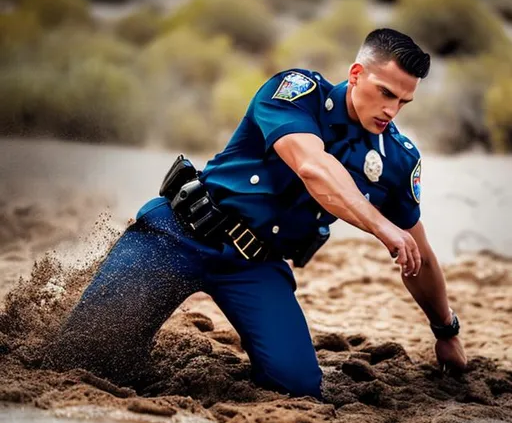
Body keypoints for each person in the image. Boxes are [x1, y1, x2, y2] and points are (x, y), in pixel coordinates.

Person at [48, 28, 467, 399]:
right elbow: (312, 167)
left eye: (404, 101)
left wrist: (446, 331)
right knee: (82, 358)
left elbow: (420, 255)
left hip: (255, 266)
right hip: (180, 233)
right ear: (356, 74)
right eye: (385, 92)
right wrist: (382, 227)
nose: (392, 109)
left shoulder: (395, 157)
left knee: (299, 387)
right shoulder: (298, 92)